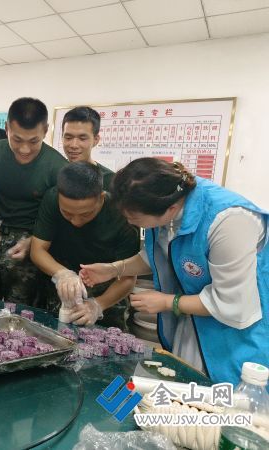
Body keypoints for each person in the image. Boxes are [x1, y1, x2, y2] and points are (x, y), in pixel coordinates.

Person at [80, 158, 269, 385]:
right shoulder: (164, 203)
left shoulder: (229, 221)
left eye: (135, 219)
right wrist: (114, 269)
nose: (130, 223)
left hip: (234, 334)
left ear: (170, 209)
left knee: (227, 394)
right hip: (193, 322)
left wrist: (169, 302)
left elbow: (232, 302)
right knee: (187, 387)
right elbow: (160, 255)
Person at [0, 98, 67, 305]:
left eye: (33, 141)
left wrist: (33, 242)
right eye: (17, 140)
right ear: (7, 128)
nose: (25, 149)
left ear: (45, 130)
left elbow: (60, 219)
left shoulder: (57, 167)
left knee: (20, 308)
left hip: (32, 241)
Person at [30, 162, 140, 328]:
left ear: (101, 197)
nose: (76, 221)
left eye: (86, 214)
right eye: (67, 213)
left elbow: (128, 278)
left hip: (107, 287)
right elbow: (38, 250)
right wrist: (63, 274)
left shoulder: (123, 215)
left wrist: (98, 305)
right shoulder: (52, 198)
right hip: (61, 279)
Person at [62, 106, 114, 190]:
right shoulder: (53, 173)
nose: (74, 145)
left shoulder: (109, 180)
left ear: (95, 140)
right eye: (68, 138)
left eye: (82, 138)